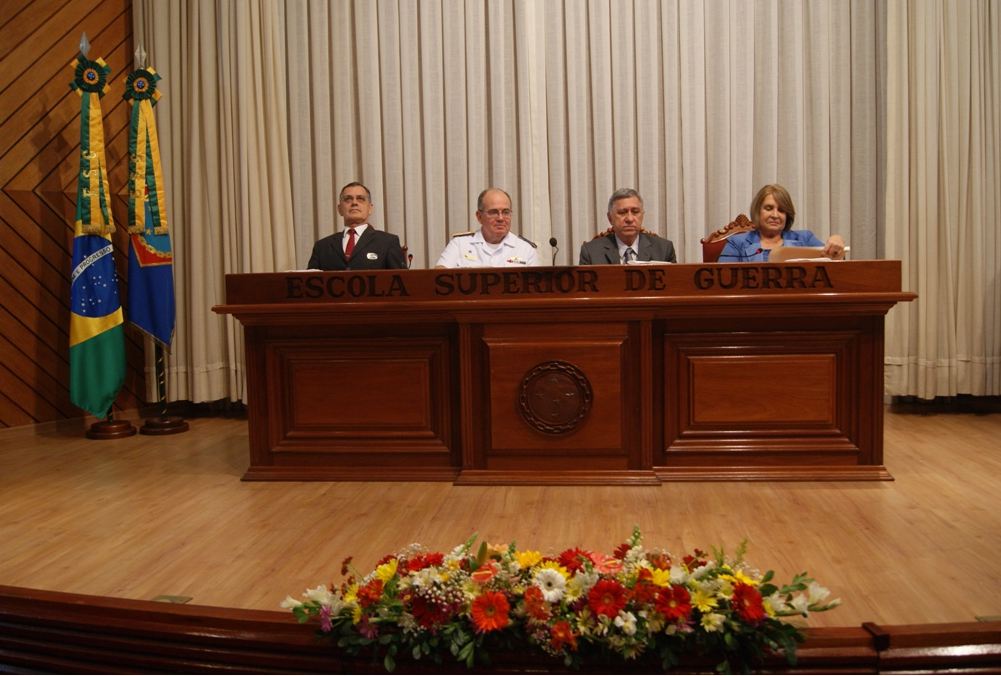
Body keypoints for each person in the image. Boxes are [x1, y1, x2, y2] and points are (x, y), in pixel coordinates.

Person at [718, 184, 846, 262]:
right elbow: (722, 280)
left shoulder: (805, 239)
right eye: (769, 208)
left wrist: (837, 243)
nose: (775, 215)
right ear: (757, 211)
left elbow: (834, 267)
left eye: (781, 210)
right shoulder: (737, 243)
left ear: (787, 215)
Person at [307, 182, 407, 270]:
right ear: (340, 209)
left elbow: (402, 283)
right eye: (348, 199)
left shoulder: (388, 242)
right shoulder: (322, 247)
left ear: (370, 208)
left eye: (360, 199)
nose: (354, 203)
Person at [435, 188, 539, 268]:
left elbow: (537, 289)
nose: (501, 218)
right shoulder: (459, 244)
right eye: (493, 212)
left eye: (506, 212)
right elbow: (439, 276)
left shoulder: (526, 249)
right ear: (479, 216)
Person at [578, 188, 677, 265]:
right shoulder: (591, 252)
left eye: (635, 212)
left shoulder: (664, 249)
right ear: (610, 218)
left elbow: (675, 288)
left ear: (642, 215)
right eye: (622, 212)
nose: (629, 219)